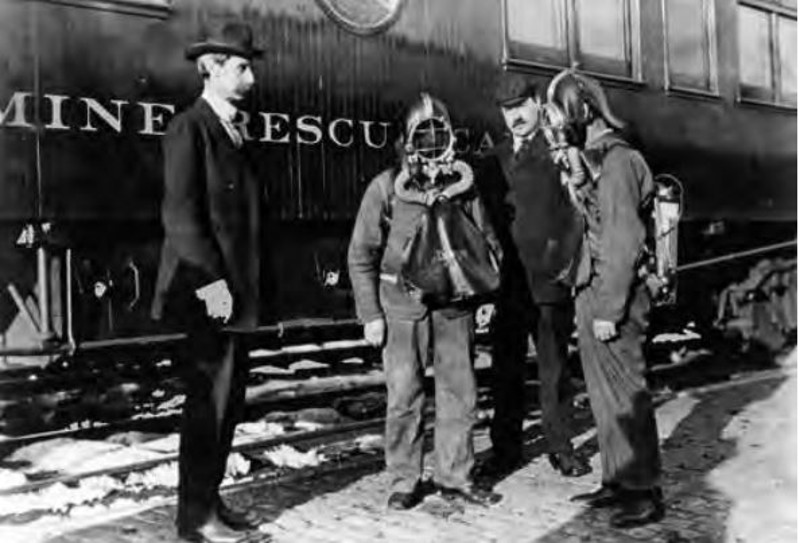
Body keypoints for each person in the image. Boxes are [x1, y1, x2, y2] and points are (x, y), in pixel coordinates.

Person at [348, 94, 502, 510]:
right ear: (407, 141)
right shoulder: (385, 189)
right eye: (424, 136)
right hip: (401, 309)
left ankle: (455, 475)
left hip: (455, 307)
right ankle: (404, 479)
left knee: (460, 392)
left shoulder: (464, 189)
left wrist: (486, 296)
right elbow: (361, 253)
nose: (434, 148)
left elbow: (487, 244)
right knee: (403, 396)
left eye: (440, 135)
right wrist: (370, 314)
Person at [151, 22, 265, 543]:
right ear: (212, 68)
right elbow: (182, 217)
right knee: (207, 409)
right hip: (208, 298)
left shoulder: (235, 128)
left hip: (233, 296)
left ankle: (210, 501)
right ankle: (195, 520)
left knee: (228, 406)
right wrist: (213, 287)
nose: (251, 76)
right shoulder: (189, 128)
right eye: (241, 66)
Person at [547, 70, 665, 528]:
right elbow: (598, 221)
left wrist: (610, 308)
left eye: (563, 118)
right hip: (591, 287)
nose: (560, 129)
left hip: (612, 292)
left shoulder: (619, 161)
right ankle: (617, 478)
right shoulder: (602, 161)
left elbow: (623, 239)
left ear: (584, 112)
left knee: (626, 394)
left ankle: (644, 491)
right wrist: (581, 183)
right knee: (602, 393)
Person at [476, 72, 590, 480]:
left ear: (536, 102)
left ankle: (561, 447)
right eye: (506, 111)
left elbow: (579, 212)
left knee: (555, 370)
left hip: (549, 281)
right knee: (505, 373)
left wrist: (564, 266)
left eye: (520, 107)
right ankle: (505, 451)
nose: (515, 117)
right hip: (508, 286)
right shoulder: (494, 160)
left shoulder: (560, 151)